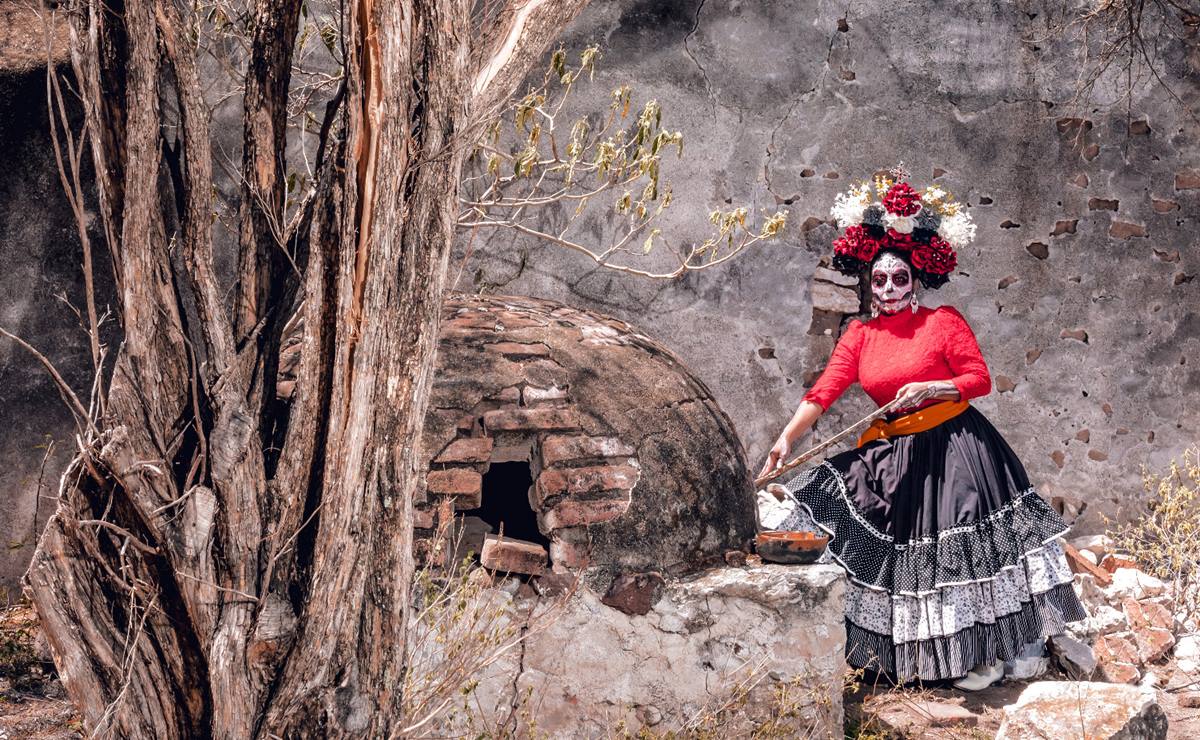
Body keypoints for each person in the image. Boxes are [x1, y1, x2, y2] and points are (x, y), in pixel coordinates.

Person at [758, 168, 1086, 690]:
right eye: (880, 279)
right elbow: (823, 391)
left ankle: (987, 656)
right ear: (869, 283)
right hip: (897, 454)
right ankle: (934, 657)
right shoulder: (860, 334)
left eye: (899, 278)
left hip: (957, 448)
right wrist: (785, 439)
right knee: (836, 506)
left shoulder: (943, 322)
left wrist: (933, 388)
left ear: (917, 280)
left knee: (964, 559)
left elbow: (978, 380)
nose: (888, 287)